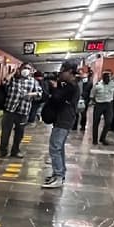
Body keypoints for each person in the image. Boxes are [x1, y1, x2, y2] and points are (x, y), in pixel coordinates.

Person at [43, 61, 80, 189]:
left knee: (55, 147)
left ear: (70, 72)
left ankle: (58, 176)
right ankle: (59, 173)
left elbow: (57, 98)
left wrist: (54, 88)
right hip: (63, 119)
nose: (60, 74)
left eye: (63, 71)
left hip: (64, 120)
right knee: (59, 148)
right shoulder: (70, 85)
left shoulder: (71, 86)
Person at [0, 63, 42, 158]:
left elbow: (40, 93)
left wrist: (32, 94)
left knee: (19, 133)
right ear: (20, 69)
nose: (26, 70)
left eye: (29, 69)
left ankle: (15, 151)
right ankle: (2, 151)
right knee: (5, 132)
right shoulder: (13, 79)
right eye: (25, 68)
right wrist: (13, 72)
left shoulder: (33, 81)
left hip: (23, 111)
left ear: (31, 71)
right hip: (9, 110)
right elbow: (4, 81)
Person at [91, 70, 114, 145]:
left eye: (108, 77)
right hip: (99, 104)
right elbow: (92, 96)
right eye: (105, 77)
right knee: (96, 122)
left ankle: (103, 138)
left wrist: (109, 99)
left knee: (108, 121)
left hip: (108, 104)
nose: (107, 79)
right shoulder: (97, 85)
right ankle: (94, 140)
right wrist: (96, 101)